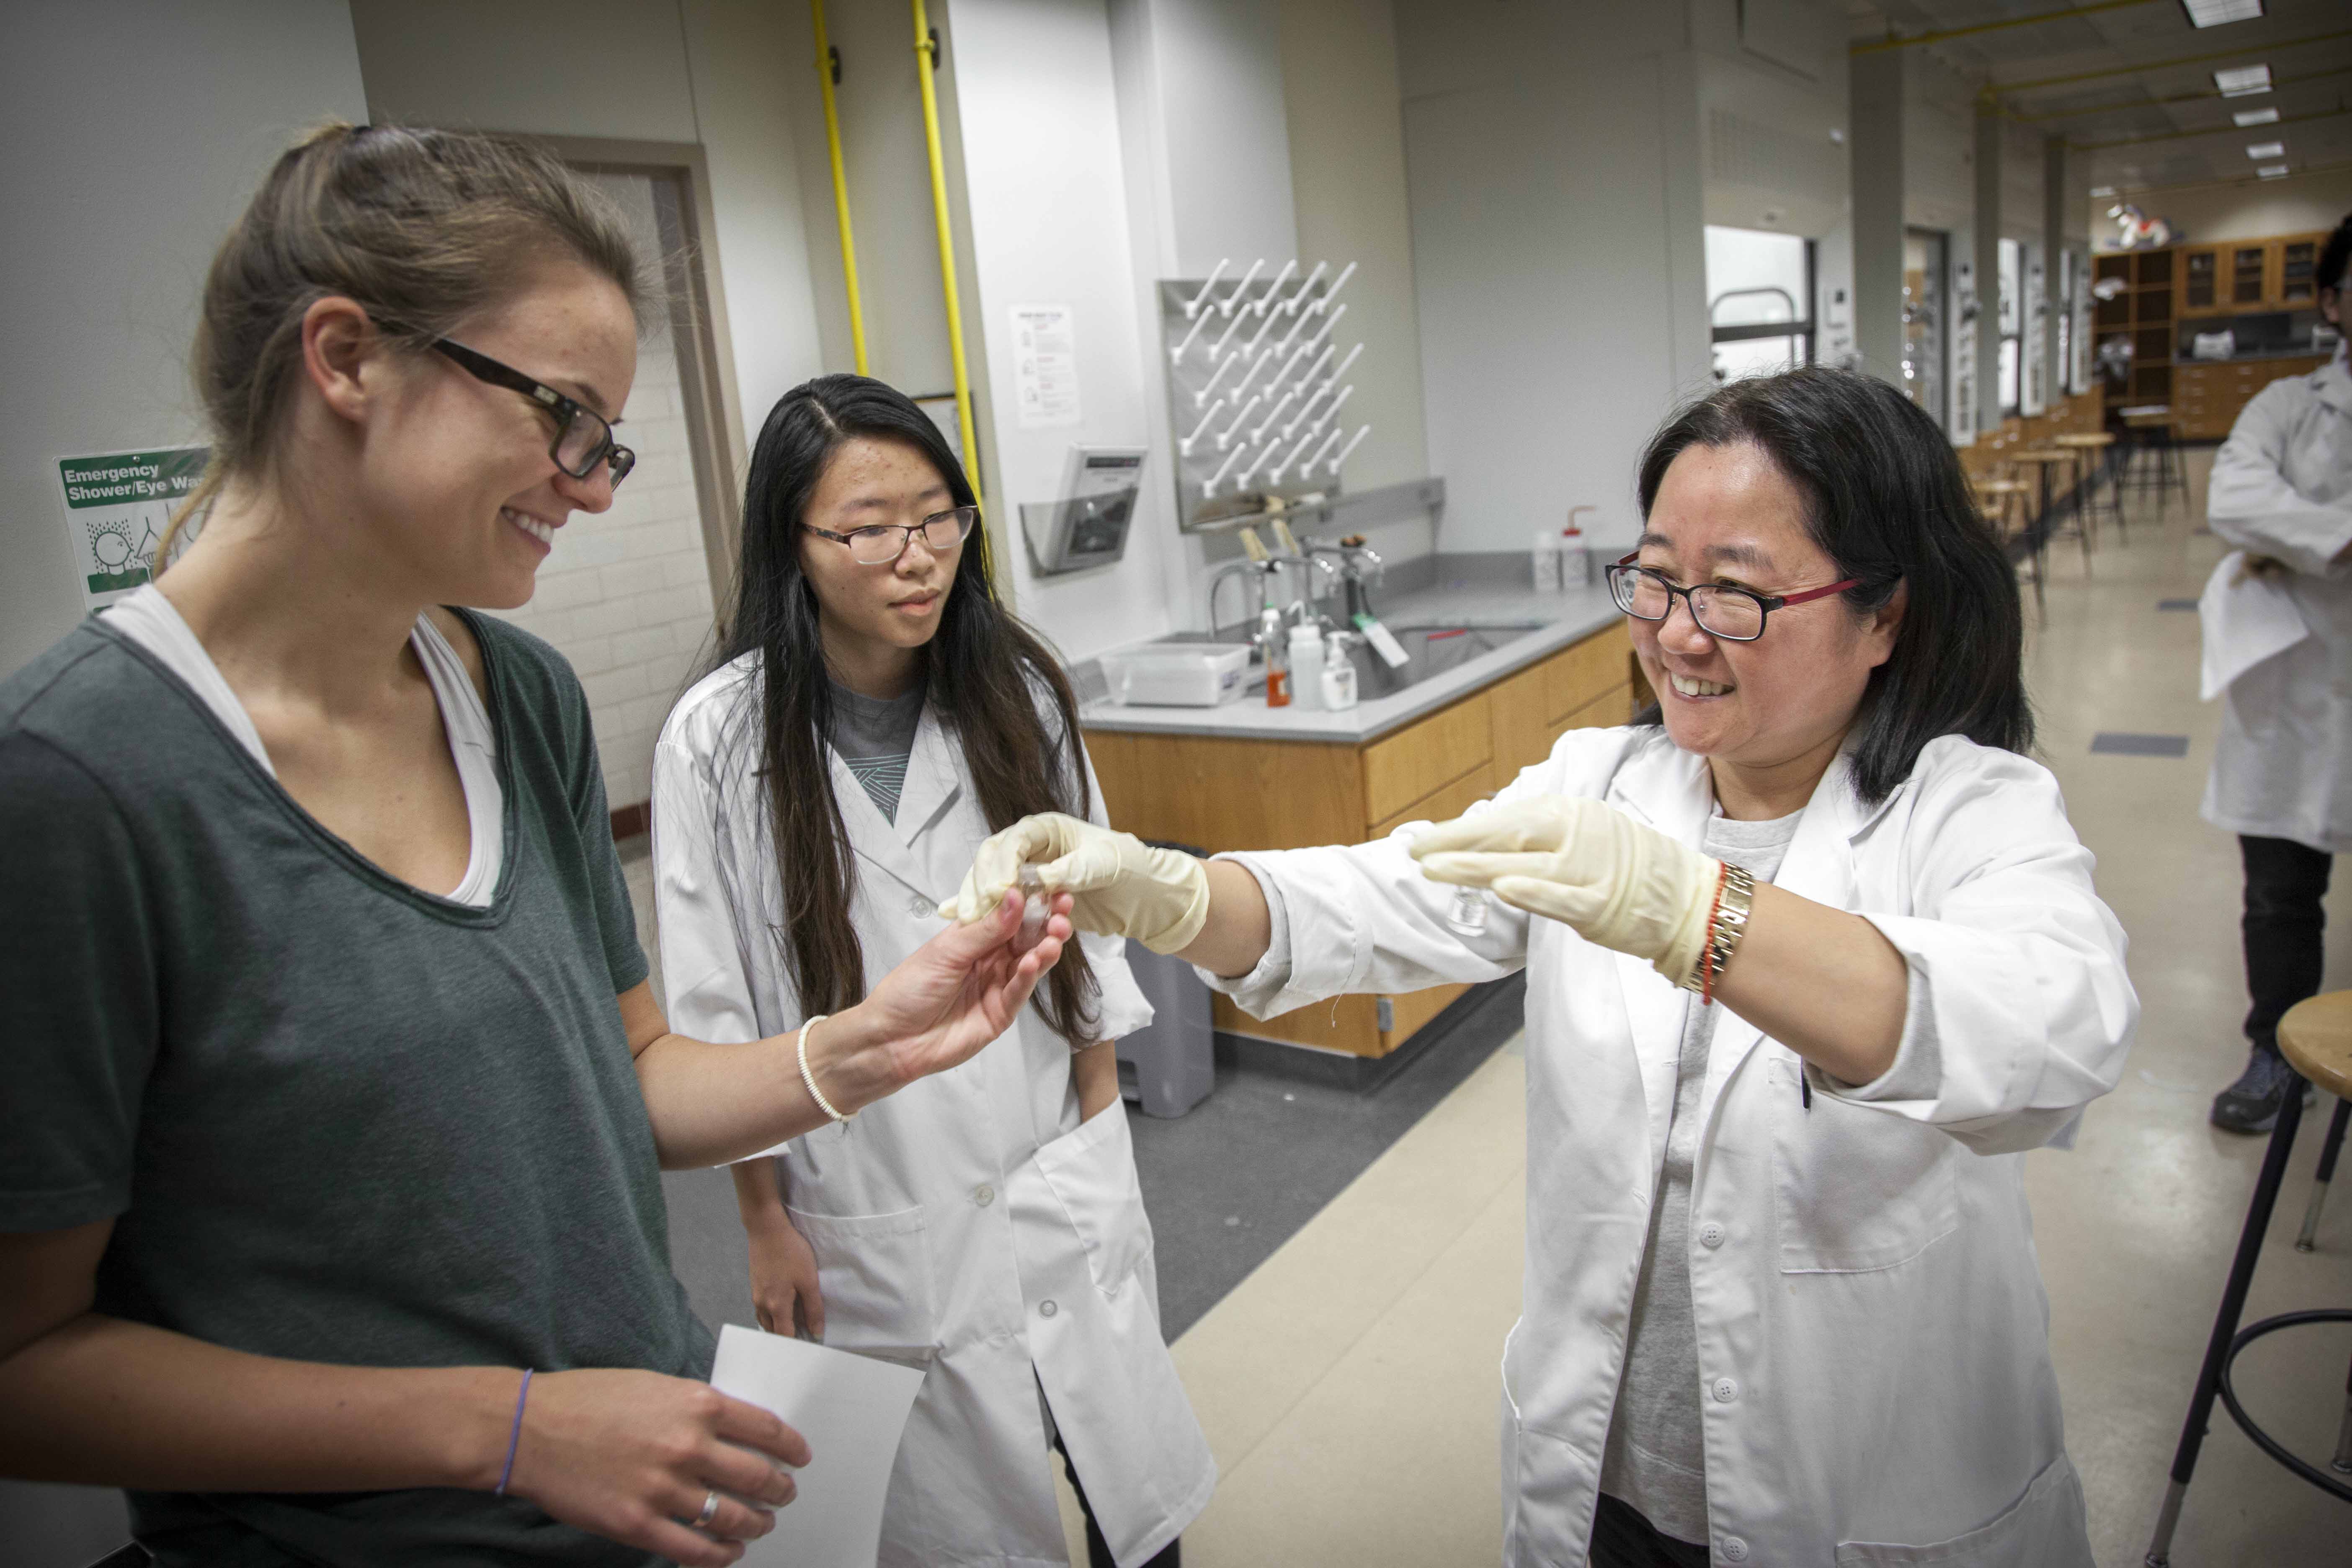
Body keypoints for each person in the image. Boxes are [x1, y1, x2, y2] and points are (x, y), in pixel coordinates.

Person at [0, 124, 1071, 1568]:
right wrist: (506, 1430)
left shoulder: (518, 700)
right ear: (346, 357)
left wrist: (864, 1046)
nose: (593, 485)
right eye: (564, 417)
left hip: (650, 1498)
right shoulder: (78, 784)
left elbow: (632, 1079)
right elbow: (28, 1367)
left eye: (605, 440)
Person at [946, 367, 2138, 1566]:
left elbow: (2057, 1033)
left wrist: (1697, 914)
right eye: (1658, 578)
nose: (1678, 633)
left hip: (1867, 1496)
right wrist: (1172, 890)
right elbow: (1377, 894)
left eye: (1735, 593)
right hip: (1609, 1480)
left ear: (1885, 617)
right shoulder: (1600, 786)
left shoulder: (1970, 811)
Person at [651, 374, 1214, 1568]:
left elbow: (1091, 929)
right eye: (868, 529)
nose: (917, 558)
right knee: (952, 1521)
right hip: (870, 1193)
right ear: (793, 545)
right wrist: (764, 1221)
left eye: (937, 518)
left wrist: (1101, 1140)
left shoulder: (1018, 692)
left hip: (1057, 1157)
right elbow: (715, 1012)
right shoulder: (716, 741)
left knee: (1128, 1492)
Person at [2199, 209, 2352, 1133]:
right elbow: (2236, 496)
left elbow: (2269, 517)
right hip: (2296, 691)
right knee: (2280, 896)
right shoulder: (2288, 408)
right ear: (2331, 302)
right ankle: (2278, 1054)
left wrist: (2296, 539)